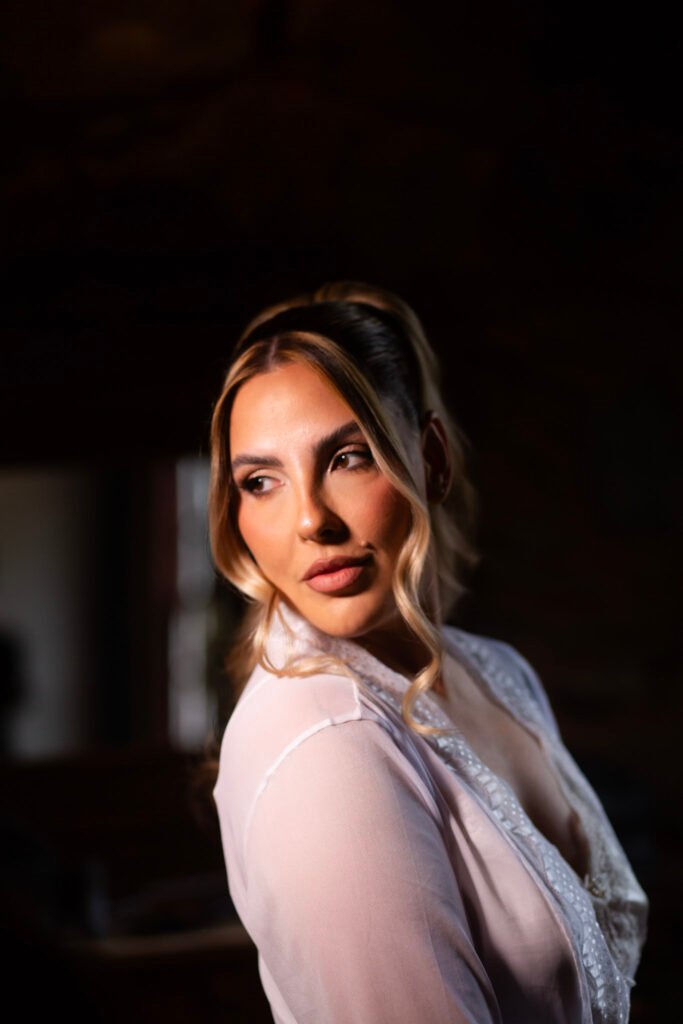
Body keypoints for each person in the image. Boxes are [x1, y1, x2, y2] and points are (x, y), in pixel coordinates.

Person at [209, 281, 648, 1024]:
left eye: (348, 457)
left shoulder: (498, 674)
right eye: (261, 481)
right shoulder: (325, 740)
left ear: (432, 458)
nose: (311, 519)